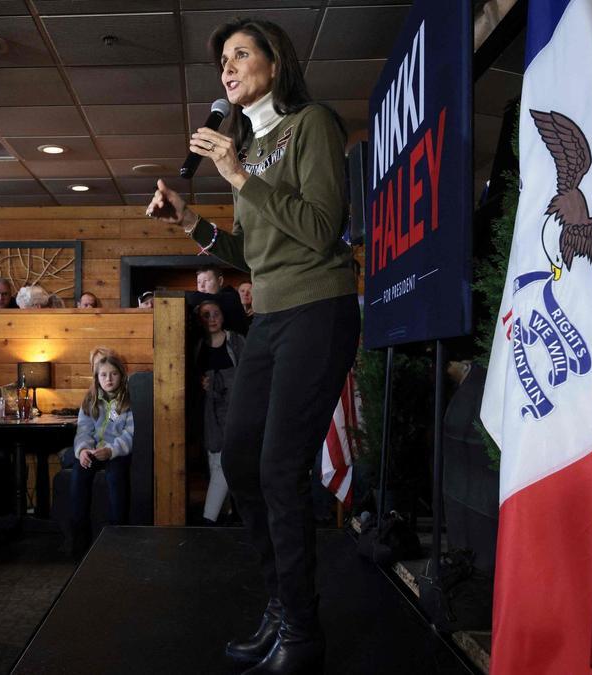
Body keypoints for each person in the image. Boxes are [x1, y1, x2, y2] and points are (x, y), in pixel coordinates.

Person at [146, 17, 359, 673]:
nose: (228, 69)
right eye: (222, 62)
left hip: (318, 309)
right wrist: (190, 221)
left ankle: (301, 629)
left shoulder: (310, 125)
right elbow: (253, 252)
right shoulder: (252, 143)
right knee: (240, 458)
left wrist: (236, 173)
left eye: (241, 54)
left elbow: (322, 230)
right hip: (269, 314)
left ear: (275, 61)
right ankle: (280, 602)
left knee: (278, 468)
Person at [69, 353, 135, 558]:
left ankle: (117, 535)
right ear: (97, 378)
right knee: (80, 472)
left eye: (114, 374)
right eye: (104, 375)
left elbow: (131, 434)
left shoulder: (129, 400)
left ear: (122, 376)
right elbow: (83, 430)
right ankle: (80, 540)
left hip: (116, 452)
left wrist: (112, 450)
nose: (109, 379)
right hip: (94, 451)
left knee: (115, 476)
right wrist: (83, 450)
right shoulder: (90, 400)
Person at [193, 300, 245, 525]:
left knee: (226, 459)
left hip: (235, 408)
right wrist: (202, 383)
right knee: (214, 459)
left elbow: (248, 372)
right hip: (209, 410)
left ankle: (209, 518)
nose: (212, 319)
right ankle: (226, 514)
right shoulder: (198, 346)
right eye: (206, 315)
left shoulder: (236, 341)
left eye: (216, 313)